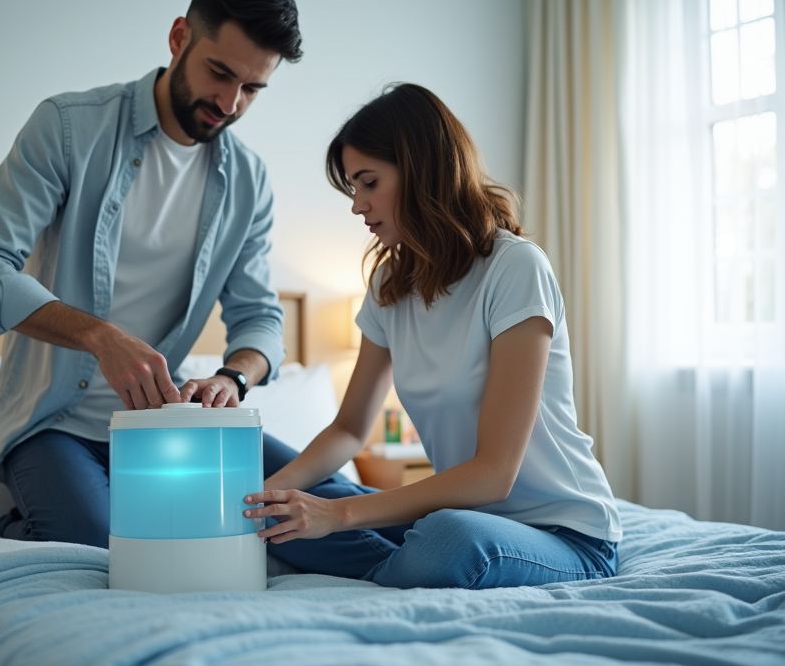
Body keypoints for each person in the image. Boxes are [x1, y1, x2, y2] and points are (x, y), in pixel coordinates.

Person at [0, 0, 305, 545]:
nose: (231, 102)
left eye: (252, 89)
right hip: (54, 427)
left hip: (169, 427)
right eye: (220, 72)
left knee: (326, 502)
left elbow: (261, 320)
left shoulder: (250, 180)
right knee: (106, 540)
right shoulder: (68, 127)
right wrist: (99, 336)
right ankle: (17, 521)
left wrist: (232, 379)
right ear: (179, 36)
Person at [247, 84, 623, 589]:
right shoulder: (386, 285)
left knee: (448, 537)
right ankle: (384, 559)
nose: (357, 205)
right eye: (353, 189)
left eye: (369, 182)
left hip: (559, 533)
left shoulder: (514, 269)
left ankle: (382, 561)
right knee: (263, 471)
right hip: (460, 515)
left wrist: (338, 518)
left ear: (421, 169)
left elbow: (494, 474)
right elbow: (350, 429)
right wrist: (264, 498)